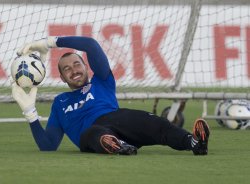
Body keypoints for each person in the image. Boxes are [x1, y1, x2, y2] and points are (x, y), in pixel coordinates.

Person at [12, 36, 210, 155]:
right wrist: (30, 113)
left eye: (76, 64)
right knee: (95, 133)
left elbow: (90, 44)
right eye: (66, 69)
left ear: (86, 66)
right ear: (63, 78)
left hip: (118, 119)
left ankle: (194, 143)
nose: (74, 70)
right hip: (90, 135)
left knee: (156, 124)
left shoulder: (102, 81)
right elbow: (48, 146)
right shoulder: (60, 102)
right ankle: (117, 145)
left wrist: (50, 43)